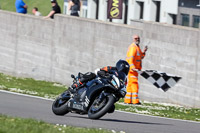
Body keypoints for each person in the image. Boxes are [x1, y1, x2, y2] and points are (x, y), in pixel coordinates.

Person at [124, 35, 148, 105]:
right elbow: (130, 59)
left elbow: (140, 57)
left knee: (130, 85)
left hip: (135, 70)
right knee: (134, 84)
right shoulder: (133, 48)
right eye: (135, 38)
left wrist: (144, 51)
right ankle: (135, 101)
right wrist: (133, 68)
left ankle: (128, 101)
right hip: (132, 70)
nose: (137, 39)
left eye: (138, 38)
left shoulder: (137, 47)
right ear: (133, 39)